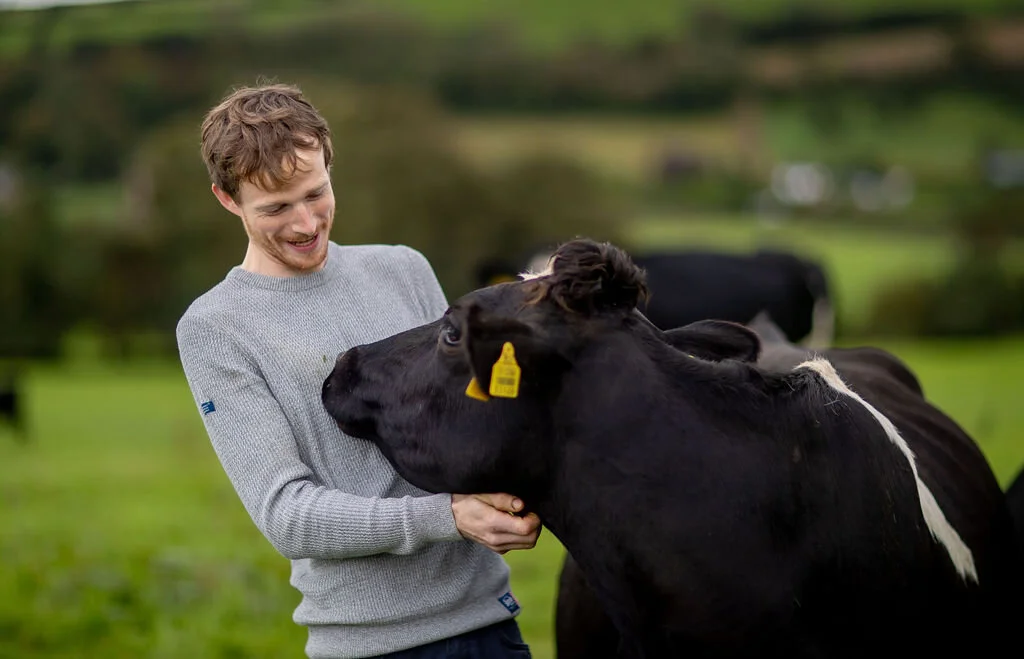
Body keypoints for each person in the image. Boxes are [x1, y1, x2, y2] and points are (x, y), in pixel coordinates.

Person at [176, 82, 541, 659]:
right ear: (227, 199)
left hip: (490, 627)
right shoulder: (216, 327)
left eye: (315, 193)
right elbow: (287, 515)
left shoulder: (404, 270)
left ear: (329, 164)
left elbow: (471, 426)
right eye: (275, 208)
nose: (305, 223)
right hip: (369, 646)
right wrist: (449, 517)